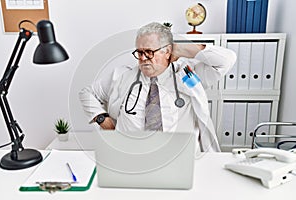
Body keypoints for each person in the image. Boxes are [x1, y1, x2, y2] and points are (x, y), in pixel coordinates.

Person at [79, 22, 236, 152]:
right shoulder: (122, 76)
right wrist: (101, 118)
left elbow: (227, 60)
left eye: (149, 52)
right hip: (130, 156)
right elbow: (87, 93)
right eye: (139, 52)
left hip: (179, 158)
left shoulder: (188, 74)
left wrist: (183, 49)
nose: (143, 58)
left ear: (167, 51)